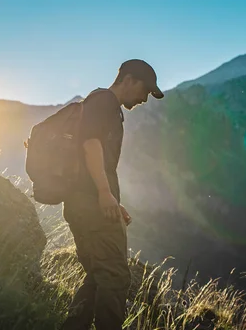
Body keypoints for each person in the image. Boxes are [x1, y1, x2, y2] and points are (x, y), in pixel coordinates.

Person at [61, 59, 164, 330]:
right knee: (115, 277)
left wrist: (113, 202)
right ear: (128, 80)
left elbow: (97, 160)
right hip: (91, 204)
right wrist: (105, 194)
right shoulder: (104, 101)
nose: (145, 98)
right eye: (145, 90)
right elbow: (90, 143)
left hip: (84, 203)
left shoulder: (104, 105)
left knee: (98, 275)